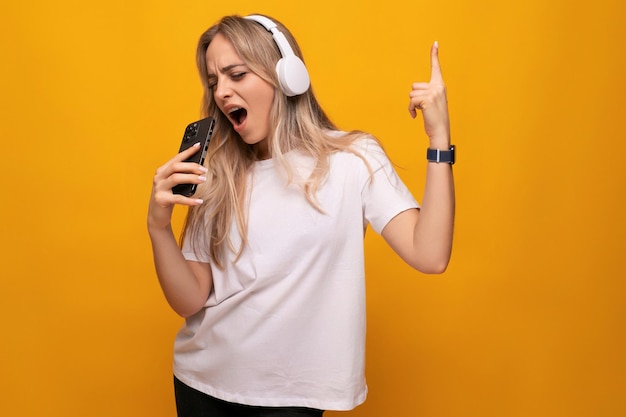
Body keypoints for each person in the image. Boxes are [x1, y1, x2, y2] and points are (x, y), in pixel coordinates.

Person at [148, 13, 455, 417]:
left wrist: (439, 140)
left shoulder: (352, 160)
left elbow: (429, 254)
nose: (222, 92)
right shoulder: (217, 174)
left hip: (293, 397)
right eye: (213, 81)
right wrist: (158, 226)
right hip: (202, 385)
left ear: (287, 75)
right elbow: (190, 300)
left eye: (236, 74)